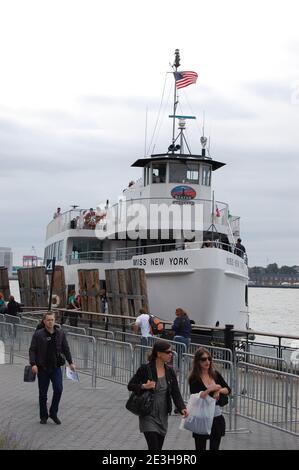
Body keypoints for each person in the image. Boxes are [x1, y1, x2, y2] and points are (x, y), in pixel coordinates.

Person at [127, 340, 188, 450]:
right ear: (159, 354)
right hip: (148, 413)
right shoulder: (145, 369)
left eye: (171, 352)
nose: (171, 354)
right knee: (154, 447)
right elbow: (131, 385)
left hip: (163, 414)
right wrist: (144, 386)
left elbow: (175, 392)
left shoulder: (170, 371)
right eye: (168, 352)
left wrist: (182, 408)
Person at [29, 311, 76, 424]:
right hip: (42, 368)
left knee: (59, 389)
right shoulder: (38, 334)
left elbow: (66, 349)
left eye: (52, 320)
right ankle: (43, 416)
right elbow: (32, 350)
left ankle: (53, 413)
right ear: (44, 321)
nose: (50, 322)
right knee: (43, 394)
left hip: (55, 367)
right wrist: (33, 364)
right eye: (48, 320)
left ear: (55, 321)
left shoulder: (60, 333)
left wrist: (71, 362)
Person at [188, 347, 231, 450]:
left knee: (215, 447)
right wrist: (212, 388)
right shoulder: (194, 378)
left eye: (209, 359)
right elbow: (198, 396)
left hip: (216, 417)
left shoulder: (215, 374)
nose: (207, 361)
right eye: (203, 359)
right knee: (200, 447)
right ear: (197, 362)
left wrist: (218, 390)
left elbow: (228, 390)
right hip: (201, 417)